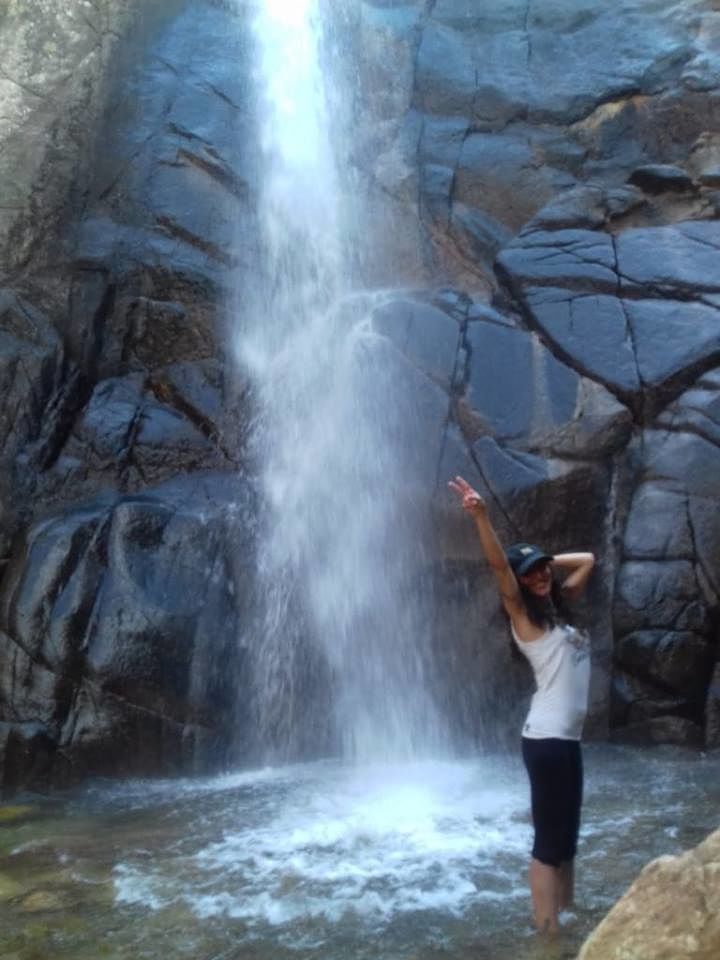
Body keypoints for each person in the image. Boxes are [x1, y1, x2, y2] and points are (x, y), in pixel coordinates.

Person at [448, 475, 595, 934]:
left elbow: (588, 559)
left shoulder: (560, 606)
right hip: (546, 741)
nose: (539, 576)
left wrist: (543, 559)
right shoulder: (525, 619)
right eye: (528, 572)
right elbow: (498, 568)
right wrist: (482, 517)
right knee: (548, 845)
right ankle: (546, 934)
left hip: (567, 742)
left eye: (542, 569)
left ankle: (566, 918)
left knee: (568, 841)